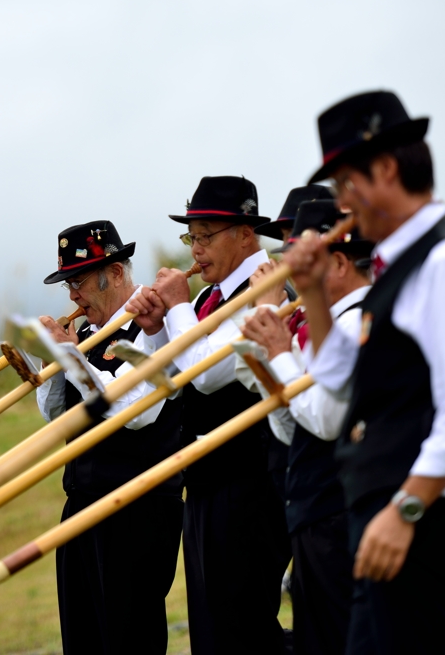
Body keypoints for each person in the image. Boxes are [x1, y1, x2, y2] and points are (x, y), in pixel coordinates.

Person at [284, 90, 445, 654]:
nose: (343, 206)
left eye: (346, 186)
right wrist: (313, 291)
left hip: (424, 527)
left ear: (386, 168)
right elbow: (339, 378)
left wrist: (406, 507)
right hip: (388, 526)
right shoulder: (394, 267)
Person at [129, 176, 291, 654]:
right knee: (211, 628)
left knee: (244, 626)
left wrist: (177, 309)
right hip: (204, 478)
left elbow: (207, 374)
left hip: (251, 480)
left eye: (205, 236)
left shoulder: (267, 289)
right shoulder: (205, 300)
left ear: (245, 234)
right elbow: (167, 382)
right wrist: (157, 328)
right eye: (191, 237)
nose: (195, 250)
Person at [34, 220, 184, 654]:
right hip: (82, 500)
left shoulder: (152, 328)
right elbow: (58, 416)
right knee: (83, 638)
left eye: (78, 281)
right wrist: (50, 362)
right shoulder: (85, 335)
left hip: (136, 505)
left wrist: (69, 355)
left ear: (116, 273)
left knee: (127, 636)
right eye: (68, 285)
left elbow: (133, 411)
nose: (72, 296)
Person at [242, 200, 373, 655]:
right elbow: (289, 426)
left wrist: (279, 353)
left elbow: (327, 420)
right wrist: (266, 359)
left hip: (341, 515)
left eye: (301, 262)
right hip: (315, 513)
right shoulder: (327, 324)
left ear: (337, 262)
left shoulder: (357, 321)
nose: (287, 275)